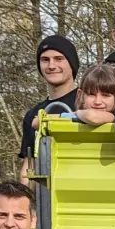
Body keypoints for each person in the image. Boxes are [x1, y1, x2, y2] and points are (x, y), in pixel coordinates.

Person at [19, 34, 80, 170]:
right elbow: (29, 167)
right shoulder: (33, 114)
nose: (51, 66)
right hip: (47, 189)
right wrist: (24, 191)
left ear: (72, 64)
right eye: (45, 60)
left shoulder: (90, 102)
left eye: (59, 59)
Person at [72, 63, 115, 127]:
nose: (97, 102)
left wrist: (76, 113)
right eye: (91, 94)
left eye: (105, 95)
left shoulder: (114, 117)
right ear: (80, 95)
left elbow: (92, 117)